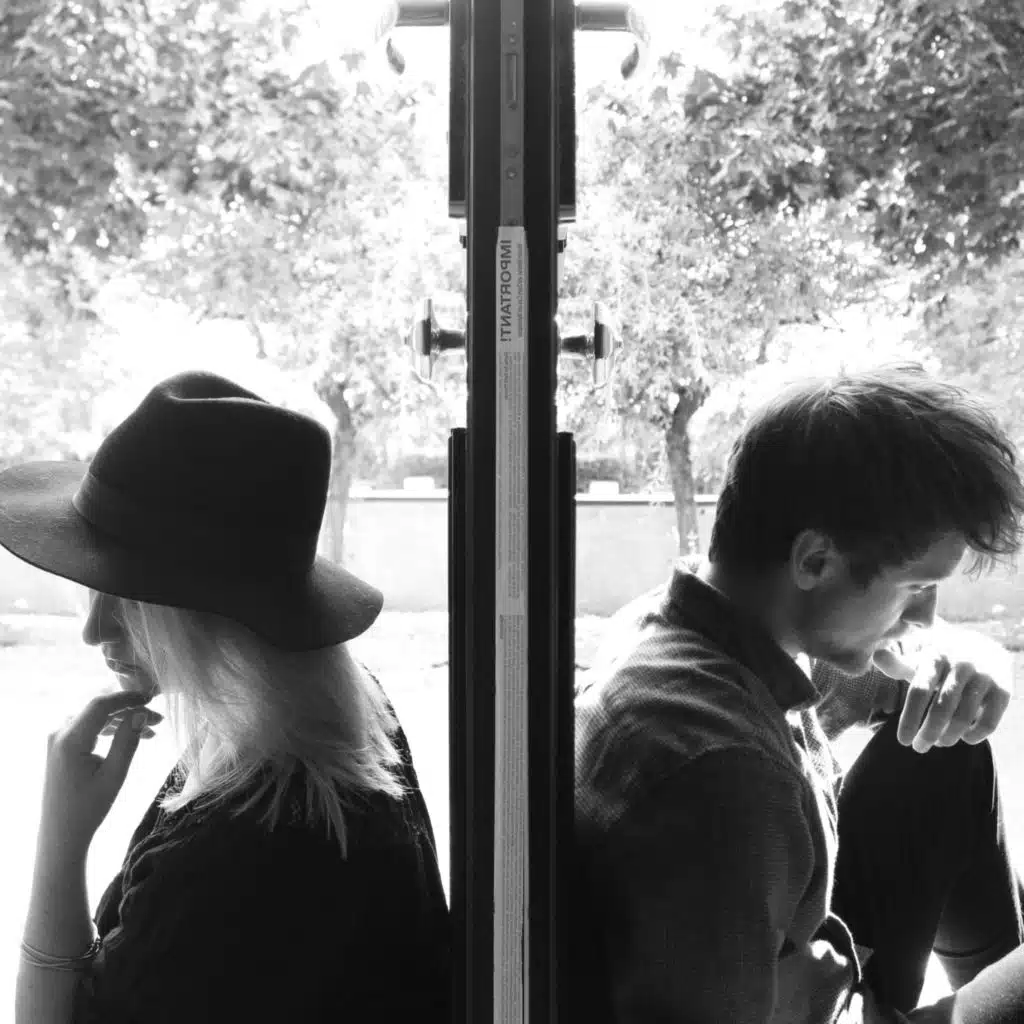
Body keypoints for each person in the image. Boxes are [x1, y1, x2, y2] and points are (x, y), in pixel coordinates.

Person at [571, 364, 1024, 1023]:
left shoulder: (697, 632)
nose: (925, 618)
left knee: (946, 750)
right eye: (916, 589)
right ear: (815, 561)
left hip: (801, 958)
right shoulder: (726, 776)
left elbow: (896, 674)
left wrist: (972, 660)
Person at [3, 371, 451, 1024]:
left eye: (130, 595)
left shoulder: (236, 852)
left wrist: (60, 838)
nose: (94, 628)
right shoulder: (345, 719)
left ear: (218, 611)